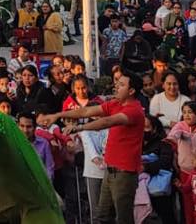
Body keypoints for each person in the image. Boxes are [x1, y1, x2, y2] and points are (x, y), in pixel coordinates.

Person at [42, 73, 145, 224]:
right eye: (117, 82)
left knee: (123, 218)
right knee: (101, 217)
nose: (116, 86)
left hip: (124, 173)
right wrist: (58, 115)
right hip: (110, 171)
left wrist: (79, 127)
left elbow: (107, 122)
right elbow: (86, 111)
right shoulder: (115, 104)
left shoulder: (134, 110)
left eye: (121, 84)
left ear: (131, 91)